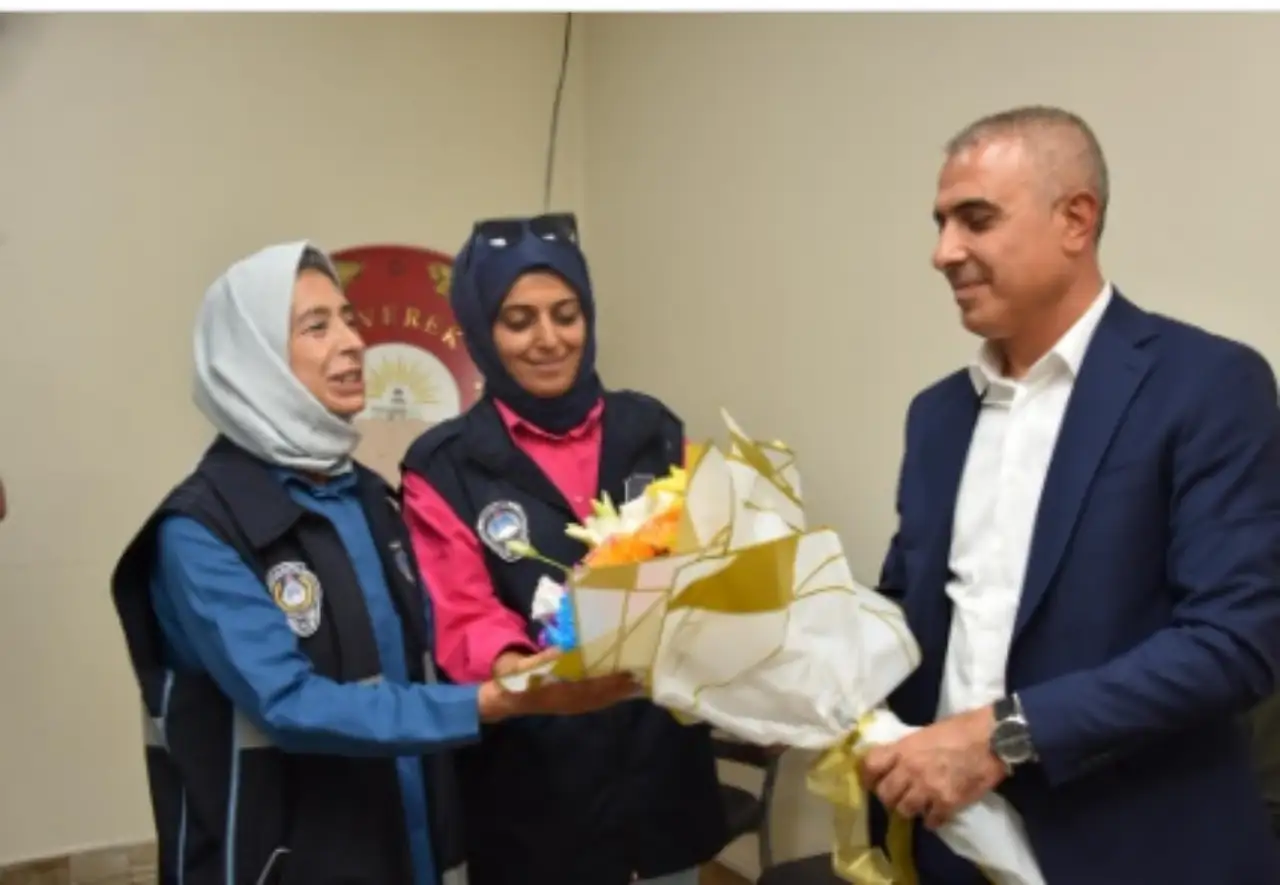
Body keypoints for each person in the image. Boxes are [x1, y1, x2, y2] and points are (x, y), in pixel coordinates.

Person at [110, 241, 638, 885]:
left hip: (405, 849)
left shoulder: (367, 496)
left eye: (349, 319)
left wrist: (541, 652)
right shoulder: (199, 530)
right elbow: (289, 704)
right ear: (252, 359)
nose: (354, 343)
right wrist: (494, 701)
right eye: (316, 327)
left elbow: (427, 650)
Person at [862, 106, 1280, 884]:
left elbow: (1235, 640)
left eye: (975, 219)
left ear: (1075, 220)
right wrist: (780, 652)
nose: (943, 251)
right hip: (950, 847)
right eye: (941, 223)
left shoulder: (1207, 385)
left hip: (1137, 850)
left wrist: (1002, 737)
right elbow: (909, 609)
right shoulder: (937, 414)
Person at [399, 213, 729, 885]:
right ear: (481, 332)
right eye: (518, 321)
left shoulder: (654, 430)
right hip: (536, 784)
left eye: (566, 314)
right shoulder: (444, 466)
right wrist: (533, 674)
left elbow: (708, 554)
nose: (549, 339)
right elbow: (461, 614)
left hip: (661, 770)